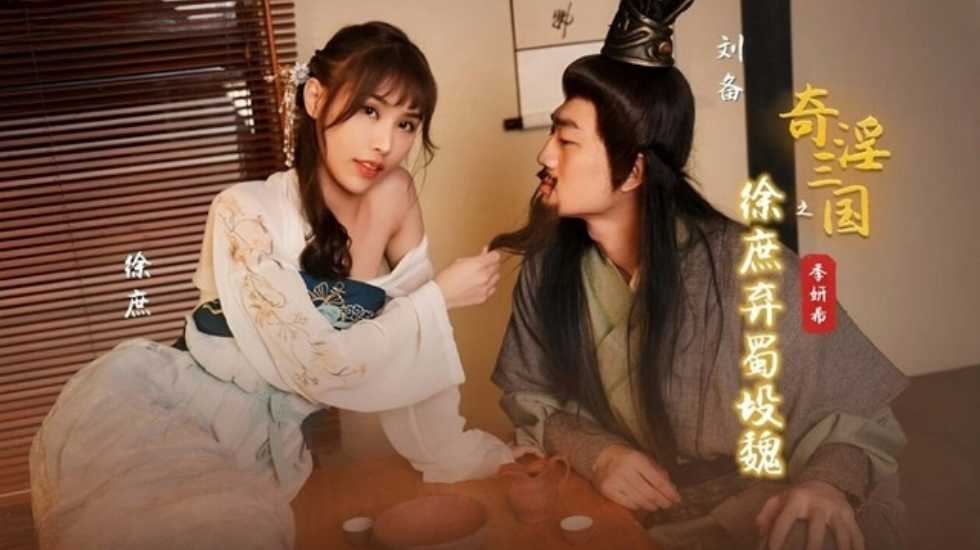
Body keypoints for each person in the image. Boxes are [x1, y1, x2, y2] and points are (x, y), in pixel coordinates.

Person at [30, 21, 512, 550]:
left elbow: (418, 351)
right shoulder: (243, 211)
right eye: (370, 111)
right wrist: (438, 297)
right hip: (160, 412)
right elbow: (315, 363)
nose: (386, 143)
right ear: (315, 97)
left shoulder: (394, 194)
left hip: (268, 444)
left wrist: (449, 452)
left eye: (407, 123)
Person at [490, 2, 909, 549]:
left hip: (762, 502)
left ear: (633, 171)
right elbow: (529, 394)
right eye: (553, 133)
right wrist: (598, 453)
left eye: (566, 140)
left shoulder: (756, 268)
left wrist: (825, 484)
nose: (545, 155)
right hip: (627, 503)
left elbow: (857, 413)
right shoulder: (547, 269)